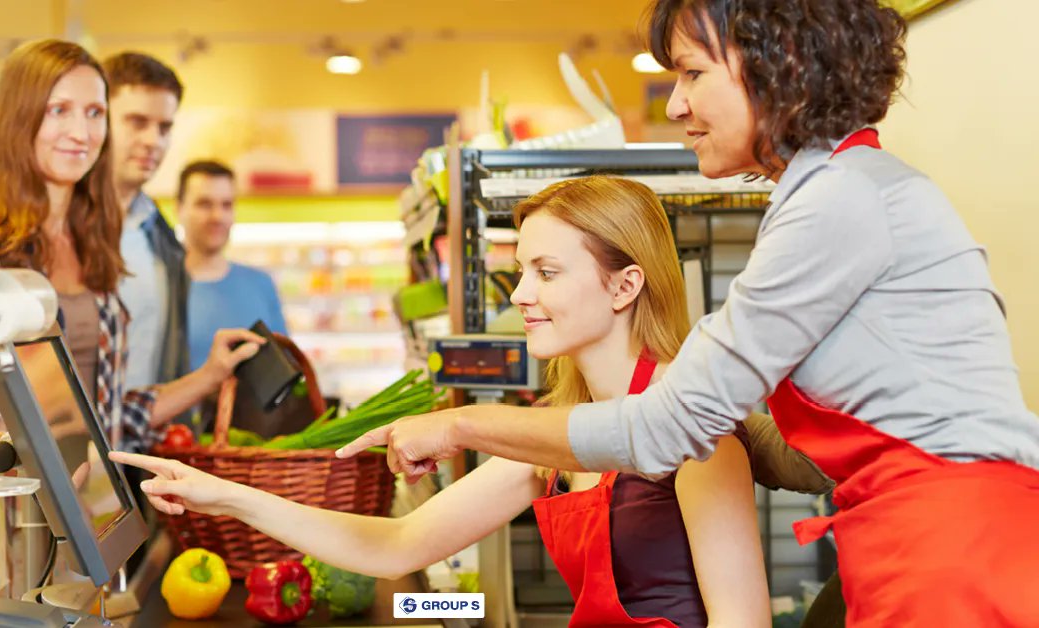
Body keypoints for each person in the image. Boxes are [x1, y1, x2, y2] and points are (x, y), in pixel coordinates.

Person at [337, 1, 1039, 626]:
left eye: (692, 74)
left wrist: (459, 423)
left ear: (780, 65)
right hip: (914, 543)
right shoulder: (830, 193)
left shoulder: (839, 200)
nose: (675, 105)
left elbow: (667, 428)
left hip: (950, 556)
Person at [114, 176, 770, 627]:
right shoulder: (550, 435)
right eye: (520, 273)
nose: (519, 296)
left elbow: (743, 621)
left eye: (547, 272)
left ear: (625, 285)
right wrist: (221, 494)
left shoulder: (695, 431)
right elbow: (398, 544)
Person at [0, 39, 264, 453]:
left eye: (95, 113)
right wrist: (14, 470)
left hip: (90, 511)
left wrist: (208, 376)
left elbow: (105, 419)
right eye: (59, 110)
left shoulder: (97, 250)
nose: (81, 133)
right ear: (17, 118)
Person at [101, 51, 191, 390]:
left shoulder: (163, 238)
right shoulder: (58, 226)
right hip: (59, 439)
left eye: (164, 127)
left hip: (140, 437)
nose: (154, 140)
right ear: (100, 118)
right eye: (138, 122)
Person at [178, 159, 288, 371]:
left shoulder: (261, 284)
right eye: (204, 204)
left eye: (226, 205)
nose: (217, 216)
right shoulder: (161, 289)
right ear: (179, 208)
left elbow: (284, 365)